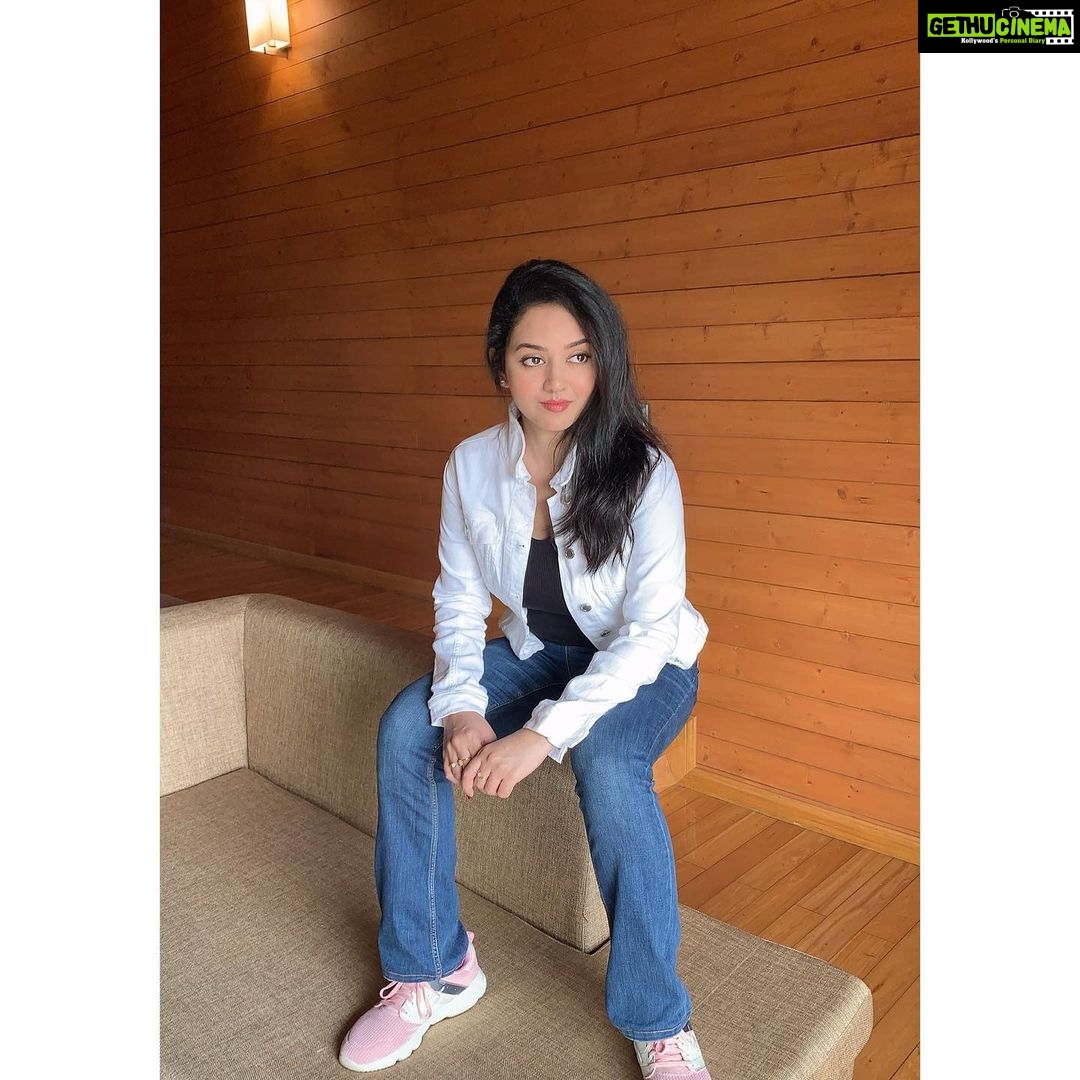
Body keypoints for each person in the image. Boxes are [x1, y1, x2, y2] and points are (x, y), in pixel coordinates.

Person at [338, 259, 712, 1078]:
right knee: (407, 727)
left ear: (603, 363)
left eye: (579, 356)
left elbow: (648, 632)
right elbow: (457, 599)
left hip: (645, 665)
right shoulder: (470, 465)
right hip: (539, 652)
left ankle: (658, 1019)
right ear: (500, 365)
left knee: (608, 761)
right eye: (532, 357)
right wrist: (461, 704)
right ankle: (434, 970)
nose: (557, 380)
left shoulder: (644, 470)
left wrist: (542, 735)